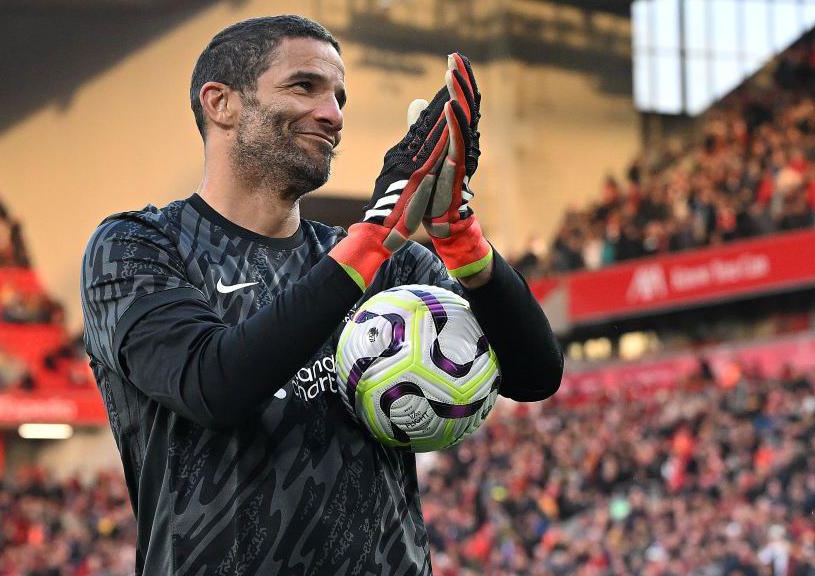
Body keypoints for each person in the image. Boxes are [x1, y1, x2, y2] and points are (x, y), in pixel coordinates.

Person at [80, 14, 562, 575]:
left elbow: (534, 376)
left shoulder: (391, 263)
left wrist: (461, 236)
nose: (332, 114)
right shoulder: (138, 246)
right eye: (304, 87)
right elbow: (213, 386)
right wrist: (375, 235)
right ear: (221, 104)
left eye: (339, 97)